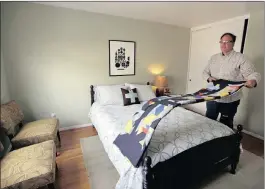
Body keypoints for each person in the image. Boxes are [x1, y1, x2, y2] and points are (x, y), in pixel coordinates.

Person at [202, 32, 261, 129]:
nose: (223, 44)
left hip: (230, 99)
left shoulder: (241, 58)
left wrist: (253, 80)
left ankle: (224, 143)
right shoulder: (214, 58)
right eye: (221, 42)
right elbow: (205, 72)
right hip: (212, 95)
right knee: (209, 120)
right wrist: (209, 78)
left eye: (227, 42)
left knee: (225, 125)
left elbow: (252, 74)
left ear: (233, 43)